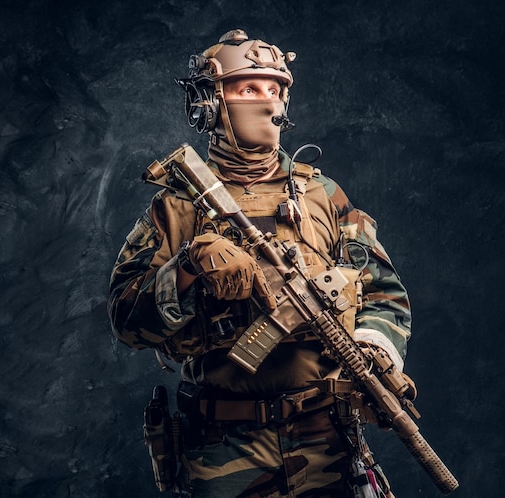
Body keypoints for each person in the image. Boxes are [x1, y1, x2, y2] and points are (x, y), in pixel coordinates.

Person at [108, 29, 412, 498]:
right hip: (225, 450)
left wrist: (374, 348)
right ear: (209, 102)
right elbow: (127, 324)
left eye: (275, 90)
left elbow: (382, 291)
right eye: (248, 88)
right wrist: (189, 267)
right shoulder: (175, 209)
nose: (266, 101)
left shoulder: (321, 194)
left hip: (327, 441)